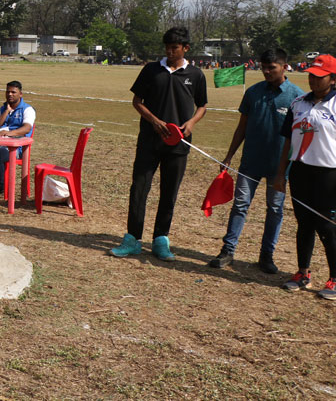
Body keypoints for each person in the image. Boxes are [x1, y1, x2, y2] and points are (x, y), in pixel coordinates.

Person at [111, 27, 207, 261]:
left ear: (186, 48)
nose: (169, 51)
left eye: (175, 48)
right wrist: (154, 121)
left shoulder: (196, 75)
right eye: (167, 47)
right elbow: (137, 101)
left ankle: (160, 240)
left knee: (169, 193)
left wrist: (192, 122)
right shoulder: (151, 70)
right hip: (149, 141)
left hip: (178, 145)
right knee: (139, 189)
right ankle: (132, 239)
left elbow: (202, 106)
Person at [208, 49, 303, 273]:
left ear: (284, 66)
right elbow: (242, 127)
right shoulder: (253, 92)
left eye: (272, 67)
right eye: (264, 67)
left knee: (275, 209)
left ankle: (266, 256)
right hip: (250, 162)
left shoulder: (297, 97)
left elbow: (299, 135)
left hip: (279, 166)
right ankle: (228, 250)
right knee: (240, 205)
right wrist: (229, 155)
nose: (267, 72)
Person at [273, 54, 336, 299]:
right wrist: (281, 173)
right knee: (304, 224)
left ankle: (334, 279)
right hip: (300, 171)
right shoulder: (298, 103)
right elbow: (288, 141)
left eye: (320, 77)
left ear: (333, 79)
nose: (314, 80)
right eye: (311, 75)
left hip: (329, 174)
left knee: (327, 226)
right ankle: (302, 273)